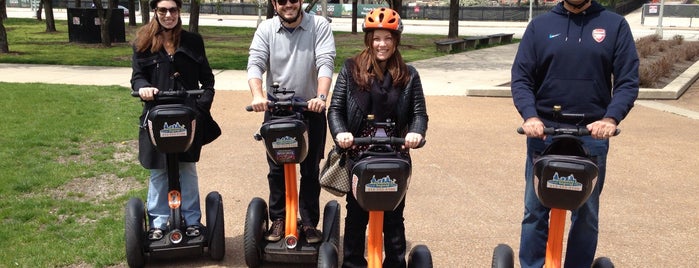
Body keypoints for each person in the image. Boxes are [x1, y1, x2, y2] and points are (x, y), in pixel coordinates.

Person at [510, 0, 639, 266]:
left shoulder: (615, 25)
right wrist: (530, 115)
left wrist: (611, 118)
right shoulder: (540, 26)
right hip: (545, 132)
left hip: (592, 134)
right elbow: (521, 77)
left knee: (587, 214)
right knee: (535, 210)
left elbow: (627, 80)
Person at [327, 7, 428, 268]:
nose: (381, 44)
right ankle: (352, 263)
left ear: (396, 41)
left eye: (387, 38)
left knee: (394, 217)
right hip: (359, 153)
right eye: (376, 38)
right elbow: (336, 109)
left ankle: (395, 263)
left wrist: (416, 133)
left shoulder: (409, 75)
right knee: (357, 215)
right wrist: (341, 133)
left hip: (395, 154)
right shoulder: (351, 70)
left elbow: (419, 113)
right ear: (368, 40)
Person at [246, 0, 336, 244]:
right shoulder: (266, 29)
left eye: (293, 0)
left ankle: (308, 223)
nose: (288, 5)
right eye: (282, 0)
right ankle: (278, 218)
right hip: (276, 109)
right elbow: (255, 63)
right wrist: (257, 95)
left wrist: (320, 96)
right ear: (275, 4)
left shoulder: (319, 25)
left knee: (309, 171)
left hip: (309, 108)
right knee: (276, 170)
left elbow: (325, 62)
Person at [131, 0, 220, 241]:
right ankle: (158, 223)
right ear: (155, 12)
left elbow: (208, 81)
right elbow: (137, 77)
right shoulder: (143, 43)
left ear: (179, 11)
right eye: (163, 10)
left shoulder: (192, 42)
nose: (168, 15)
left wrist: (201, 108)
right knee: (159, 170)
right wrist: (144, 89)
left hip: (186, 115)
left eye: (173, 10)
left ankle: (192, 221)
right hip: (157, 117)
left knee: (187, 168)